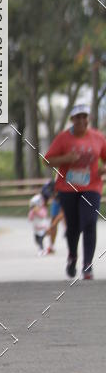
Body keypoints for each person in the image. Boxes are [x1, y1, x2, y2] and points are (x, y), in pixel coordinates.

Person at [44, 103, 106, 280]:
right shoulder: (63, 139)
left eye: (84, 117)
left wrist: (104, 168)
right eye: (77, 118)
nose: (81, 121)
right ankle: (72, 256)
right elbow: (47, 161)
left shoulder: (98, 138)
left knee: (89, 222)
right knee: (73, 227)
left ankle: (87, 265)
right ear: (71, 120)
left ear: (89, 119)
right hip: (67, 188)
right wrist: (66, 159)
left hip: (91, 187)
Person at [40, 178, 63, 254]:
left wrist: (51, 227)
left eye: (53, 195)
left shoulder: (63, 192)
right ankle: (51, 246)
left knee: (56, 222)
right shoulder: (46, 189)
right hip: (57, 197)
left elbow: (63, 213)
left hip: (66, 195)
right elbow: (44, 202)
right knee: (53, 220)